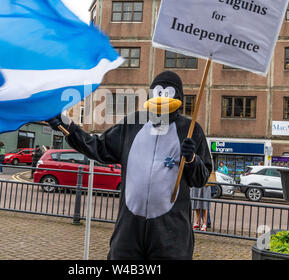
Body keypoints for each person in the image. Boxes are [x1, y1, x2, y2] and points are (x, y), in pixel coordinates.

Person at [48, 71, 212, 260]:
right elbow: (99, 147)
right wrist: (68, 128)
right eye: (158, 92)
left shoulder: (190, 130)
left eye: (168, 93)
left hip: (171, 231)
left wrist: (192, 159)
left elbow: (201, 178)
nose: (162, 98)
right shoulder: (133, 123)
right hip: (129, 226)